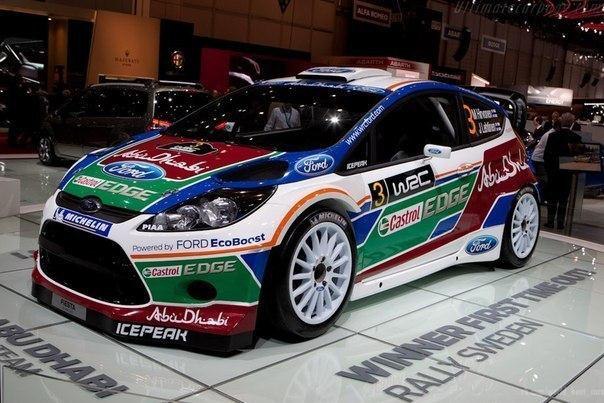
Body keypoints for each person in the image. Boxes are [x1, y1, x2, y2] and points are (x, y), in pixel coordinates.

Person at [543, 112, 582, 230]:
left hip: (553, 172)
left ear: (561, 121)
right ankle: (560, 223)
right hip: (567, 173)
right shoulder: (576, 137)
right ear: (572, 123)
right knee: (563, 199)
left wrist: (549, 169)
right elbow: (578, 157)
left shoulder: (552, 136)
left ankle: (550, 221)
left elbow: (546, 156)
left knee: (552, 198)